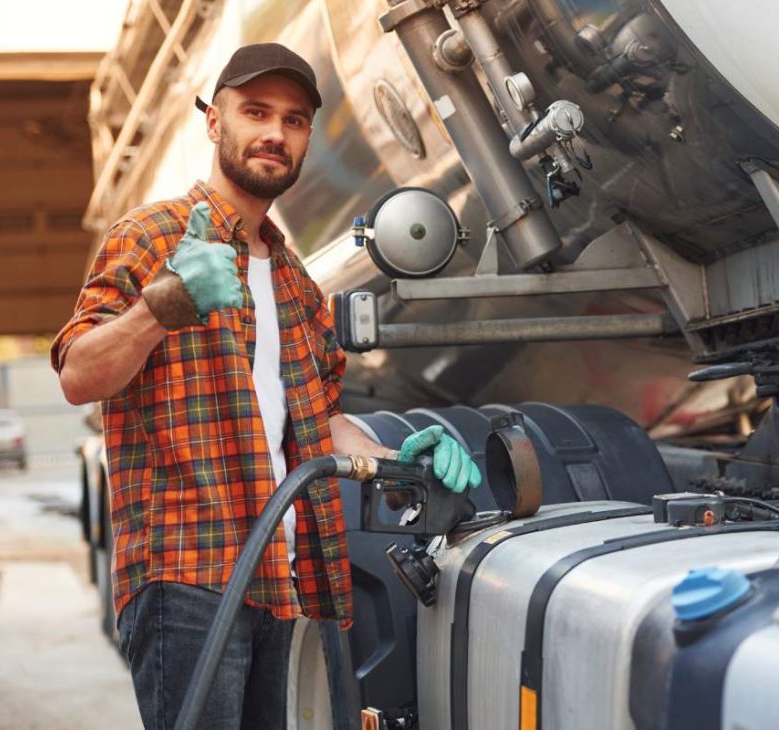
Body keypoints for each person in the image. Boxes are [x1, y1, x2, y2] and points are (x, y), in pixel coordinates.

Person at [52, 43, 480, 730]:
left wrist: (399, 457)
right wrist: (161, 306)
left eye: (294, 120)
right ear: (214, 122)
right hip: (187, 578)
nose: (274, 134)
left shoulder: (293, 280)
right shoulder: (153, 237)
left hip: (285, 579)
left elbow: (316, 426)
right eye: (255, 112)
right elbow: (79, 374)